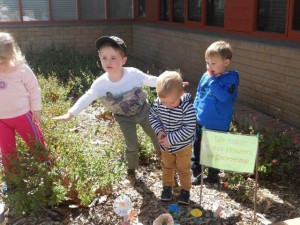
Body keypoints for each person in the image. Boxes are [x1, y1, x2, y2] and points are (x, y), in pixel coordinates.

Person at [52, 36, 161, 185]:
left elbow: (151, 80)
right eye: (104, 58)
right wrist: (71, 113)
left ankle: (164, 158)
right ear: (99, 58)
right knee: (131, 144)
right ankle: (131, 170)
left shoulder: (133, 74)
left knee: (156, 134)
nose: (108, 62)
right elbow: (87, 97)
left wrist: (171, 82)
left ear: (123, 60)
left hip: (143, 110)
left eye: (113, 58)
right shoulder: (100, 84)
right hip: (124, 117)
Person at [0, 31, 46, 190]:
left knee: (36, 142)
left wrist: (37, 110)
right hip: (2, 120)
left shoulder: (21, 69)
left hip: (23, 116)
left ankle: (48, 169)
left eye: (1, 62)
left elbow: (33, 88)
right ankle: (12, 180)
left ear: (11, 55)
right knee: (7, 151)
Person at [191, 40, 239, 185]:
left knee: (215, 151)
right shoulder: (206, 76)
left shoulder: (231, 78)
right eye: (207, 63)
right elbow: (199, 94)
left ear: (226, 62)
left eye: (213, 63)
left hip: (218, 124)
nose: (209, 67)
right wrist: (194, 112)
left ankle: (212, 174)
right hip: (202, 121)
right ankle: (197, 174)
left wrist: (212, 80)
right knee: (198, 148)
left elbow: (223, 96)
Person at [149, 71, 196, 205]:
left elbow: (189, 128)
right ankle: (167, 187)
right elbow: (153, 116)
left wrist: (171, 139)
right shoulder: (160, 102)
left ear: (181, 93)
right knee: (167, 166)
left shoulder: (187, 107)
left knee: (183, 168)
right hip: (165, 146)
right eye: (164, 102)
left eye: (172, 103)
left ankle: (185, 190)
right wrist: (159, 131)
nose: (167, 105)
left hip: (183, 146)